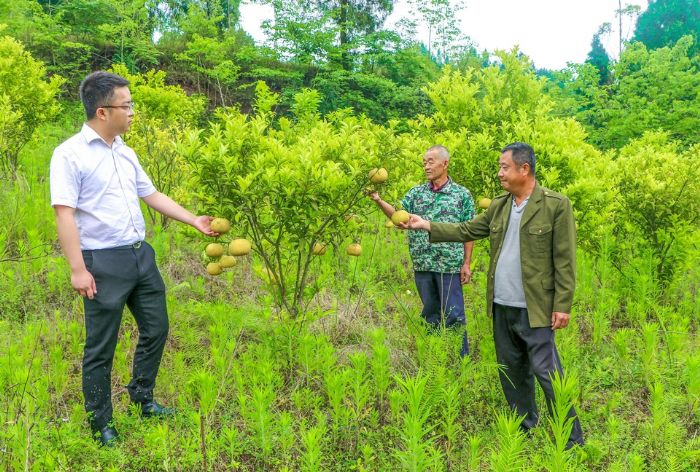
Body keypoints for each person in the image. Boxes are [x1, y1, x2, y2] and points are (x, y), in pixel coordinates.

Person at [50, 71, 217, 446]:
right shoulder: (69, 154)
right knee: (101, 346)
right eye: (126, 105)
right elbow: (64, 214)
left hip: (141, 256)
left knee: (156, 329)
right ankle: (101, 423)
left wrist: (193, 220)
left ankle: (142, 398)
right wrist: (78, 269)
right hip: (102, 262)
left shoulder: (125, 151)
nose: (132, 112)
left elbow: (151, 194)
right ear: (102, 111)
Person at [401, 142, 584, 449]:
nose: (500, 173)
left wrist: (562, 305)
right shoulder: (499, 205)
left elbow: (565, 259)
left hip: (536, 306)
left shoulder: (555, 205)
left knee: (546, 371)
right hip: (502, 304)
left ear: (524, 169)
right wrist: (427, 225)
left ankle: (572, 440)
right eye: (499, 167)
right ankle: (525, 427)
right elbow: (466, 230)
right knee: (511, 369)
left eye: (504, 167)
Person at [369, 145, 475, 356]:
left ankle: (461, 361)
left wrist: (466, 263)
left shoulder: (461, 194)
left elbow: (468, 231)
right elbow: (398, 215)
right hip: (423, 264)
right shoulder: (416, 193)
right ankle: (435, 358)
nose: (426, 166)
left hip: (449, 265)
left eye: (431, 161)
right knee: (430, 314)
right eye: (424, 162)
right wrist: (379, 200)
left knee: (454, 315)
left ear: (445, 164)